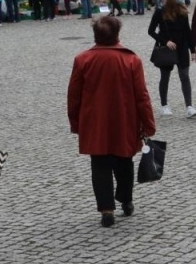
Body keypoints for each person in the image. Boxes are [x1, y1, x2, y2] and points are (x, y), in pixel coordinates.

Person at [67, 16, 156, 228]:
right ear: (117, 34)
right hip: (124, 119)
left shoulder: (83, 60)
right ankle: (125, 200)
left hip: (94, 121)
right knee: (124, 160)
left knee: (99, 164)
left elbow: (74, 95)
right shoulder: (131, 60)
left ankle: (106, 208)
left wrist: (76, 121)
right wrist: (148, 122)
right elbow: (141, 95)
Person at [148, 0, 196, 118]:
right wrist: (165, 41)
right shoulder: (160, 11)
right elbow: (151, 31)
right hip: (167, 48)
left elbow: (187, 31)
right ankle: (164, 105)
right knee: (165, 77)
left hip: (182, 48)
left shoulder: (183, 11)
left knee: (184, 76)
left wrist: (192, 50)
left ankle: (189, 106)